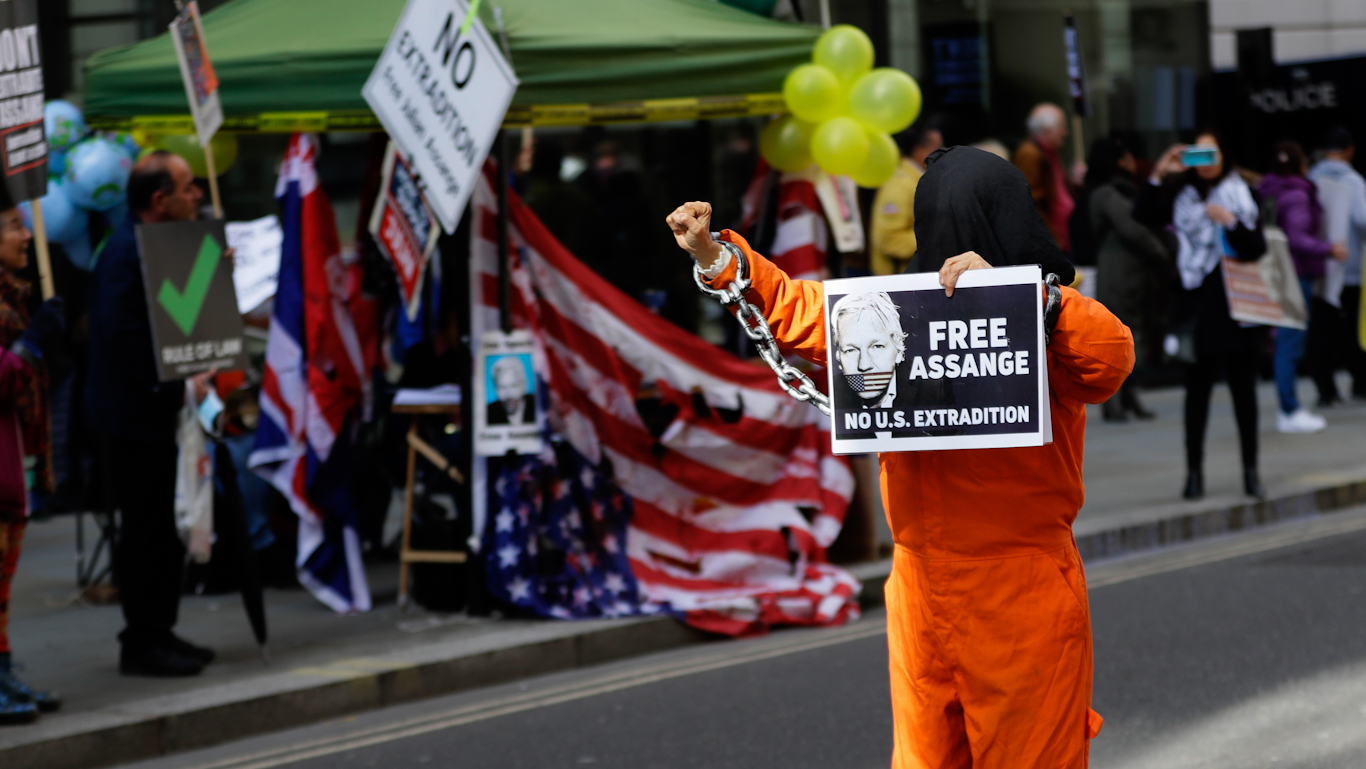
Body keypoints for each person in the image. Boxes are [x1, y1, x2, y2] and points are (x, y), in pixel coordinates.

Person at [668, 145, 1132, 768]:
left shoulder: (1043, 320)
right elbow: (795, 311)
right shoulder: (893, 313)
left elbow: (1109, 359)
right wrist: (718, 256)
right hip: (920, 584)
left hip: (1015, 590)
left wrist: (1032, 299)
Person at [86, 151, 218, 677]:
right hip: (131, 419)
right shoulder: (123, 254)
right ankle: (141, 642)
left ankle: (160, 630)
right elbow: (124, 338)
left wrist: (215, 283)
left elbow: (184, 315)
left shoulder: (169, 247)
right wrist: (179, 377)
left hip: (159, 414)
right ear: (159, 200)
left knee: (163, 531)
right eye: (188, 188)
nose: (198, 195)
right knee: (145, 531)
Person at [1135, 133, 1266, 499]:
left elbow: (1257, 248)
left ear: (1225, 155)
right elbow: (1143, 214)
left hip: (1239, 311)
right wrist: (1160, 172)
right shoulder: (1181, 194)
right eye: (1200, 154)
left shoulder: (1242, 194)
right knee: (1197, 396)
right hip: (1197, 312)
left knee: (1245, 396)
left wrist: (1230, 222)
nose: (1207, 161)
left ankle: (1250, 472)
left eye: (1214, 152)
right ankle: (1194, 474)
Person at [0, 189, 64, 723]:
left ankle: (3, 671)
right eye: (12, 226)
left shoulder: (14, 296)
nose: (25, 235)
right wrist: (31, 342)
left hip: (13, 466)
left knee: (3, 583)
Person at [1257, 141, 1342, 433]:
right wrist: (1329, 249)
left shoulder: (1268, 189)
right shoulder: (1296, 194)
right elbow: (1298, 238)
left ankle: (1288, 407)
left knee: (1284, 340)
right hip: (1294, 274)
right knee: (1290, 343)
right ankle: (1289, 409)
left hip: (1274, 272)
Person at [1087, 134, 1169, 421]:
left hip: (1131, 274)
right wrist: (1162, 252)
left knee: (1132, 338)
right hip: (1120, 275)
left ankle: (1129, 396)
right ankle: (1114, 401)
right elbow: (1133, 228)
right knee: (1119, 339)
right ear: (1119, 161)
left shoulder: (1119, 192)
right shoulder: (1109, 194)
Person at [1307, 126, 1366, 402]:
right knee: (1353, 327)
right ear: (1350, 150)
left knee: (1321, 327)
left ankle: (1325, 388)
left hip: (1318, 263)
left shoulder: (1311, 177)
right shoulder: (1353, 181)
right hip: (1350, 266)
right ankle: (1360, 382)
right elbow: (1363, 219)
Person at [868, 124, 944, 275]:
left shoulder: (920, 180)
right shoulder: (900, 186)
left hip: (916, 276)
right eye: (938, 148)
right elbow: (888, 239)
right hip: (900, 283)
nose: (944, 154)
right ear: (919, 150)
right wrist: (941, 238)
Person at [1014, 103, 1081, 254]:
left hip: (1062, 237)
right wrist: (1050, 238)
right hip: (1052, 241)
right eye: (1062, 127)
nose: (1066, 132)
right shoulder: (1030, 154)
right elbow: (1032, 200)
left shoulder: (1050, 152)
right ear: (1047, 130)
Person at [830, 291, 905, 407]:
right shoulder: (832, 392)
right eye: (851, 350)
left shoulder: (935, 390)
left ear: (898, 350)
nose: (863, 365)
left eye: (877, 347)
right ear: (838, 356)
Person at [487, 356, 535, 426]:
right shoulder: (488, 413)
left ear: (523, 385)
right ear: (495, 389)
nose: (508, 395)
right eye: (502, 387)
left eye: (513, 386)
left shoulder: (537, 405)